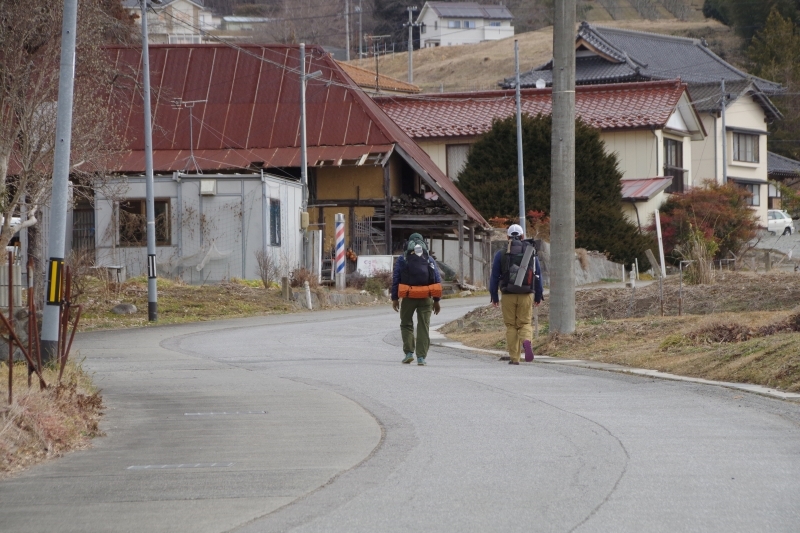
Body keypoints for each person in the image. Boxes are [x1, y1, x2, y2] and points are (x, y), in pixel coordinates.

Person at [489, 224, 544, 365]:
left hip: (508, 294)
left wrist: (494, 296)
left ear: (507, 237)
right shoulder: (531, 253)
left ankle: (515, 358)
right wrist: (538, 295)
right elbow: (538, 275)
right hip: (526, 293)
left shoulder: (501, 254)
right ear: (523, 236)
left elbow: (494, 276)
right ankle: (526, 340)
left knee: (511, 326)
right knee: (525, 322)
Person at [391, 233, 442, 366]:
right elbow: (437, 278)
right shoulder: (429, 258)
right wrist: (436, 300)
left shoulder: (403, 258)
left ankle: (408, 353)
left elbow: (396, 279)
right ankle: (421, 357)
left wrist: (395, 298)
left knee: (406, 323)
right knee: (423, 326)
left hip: (408, 295)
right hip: (426, 296)